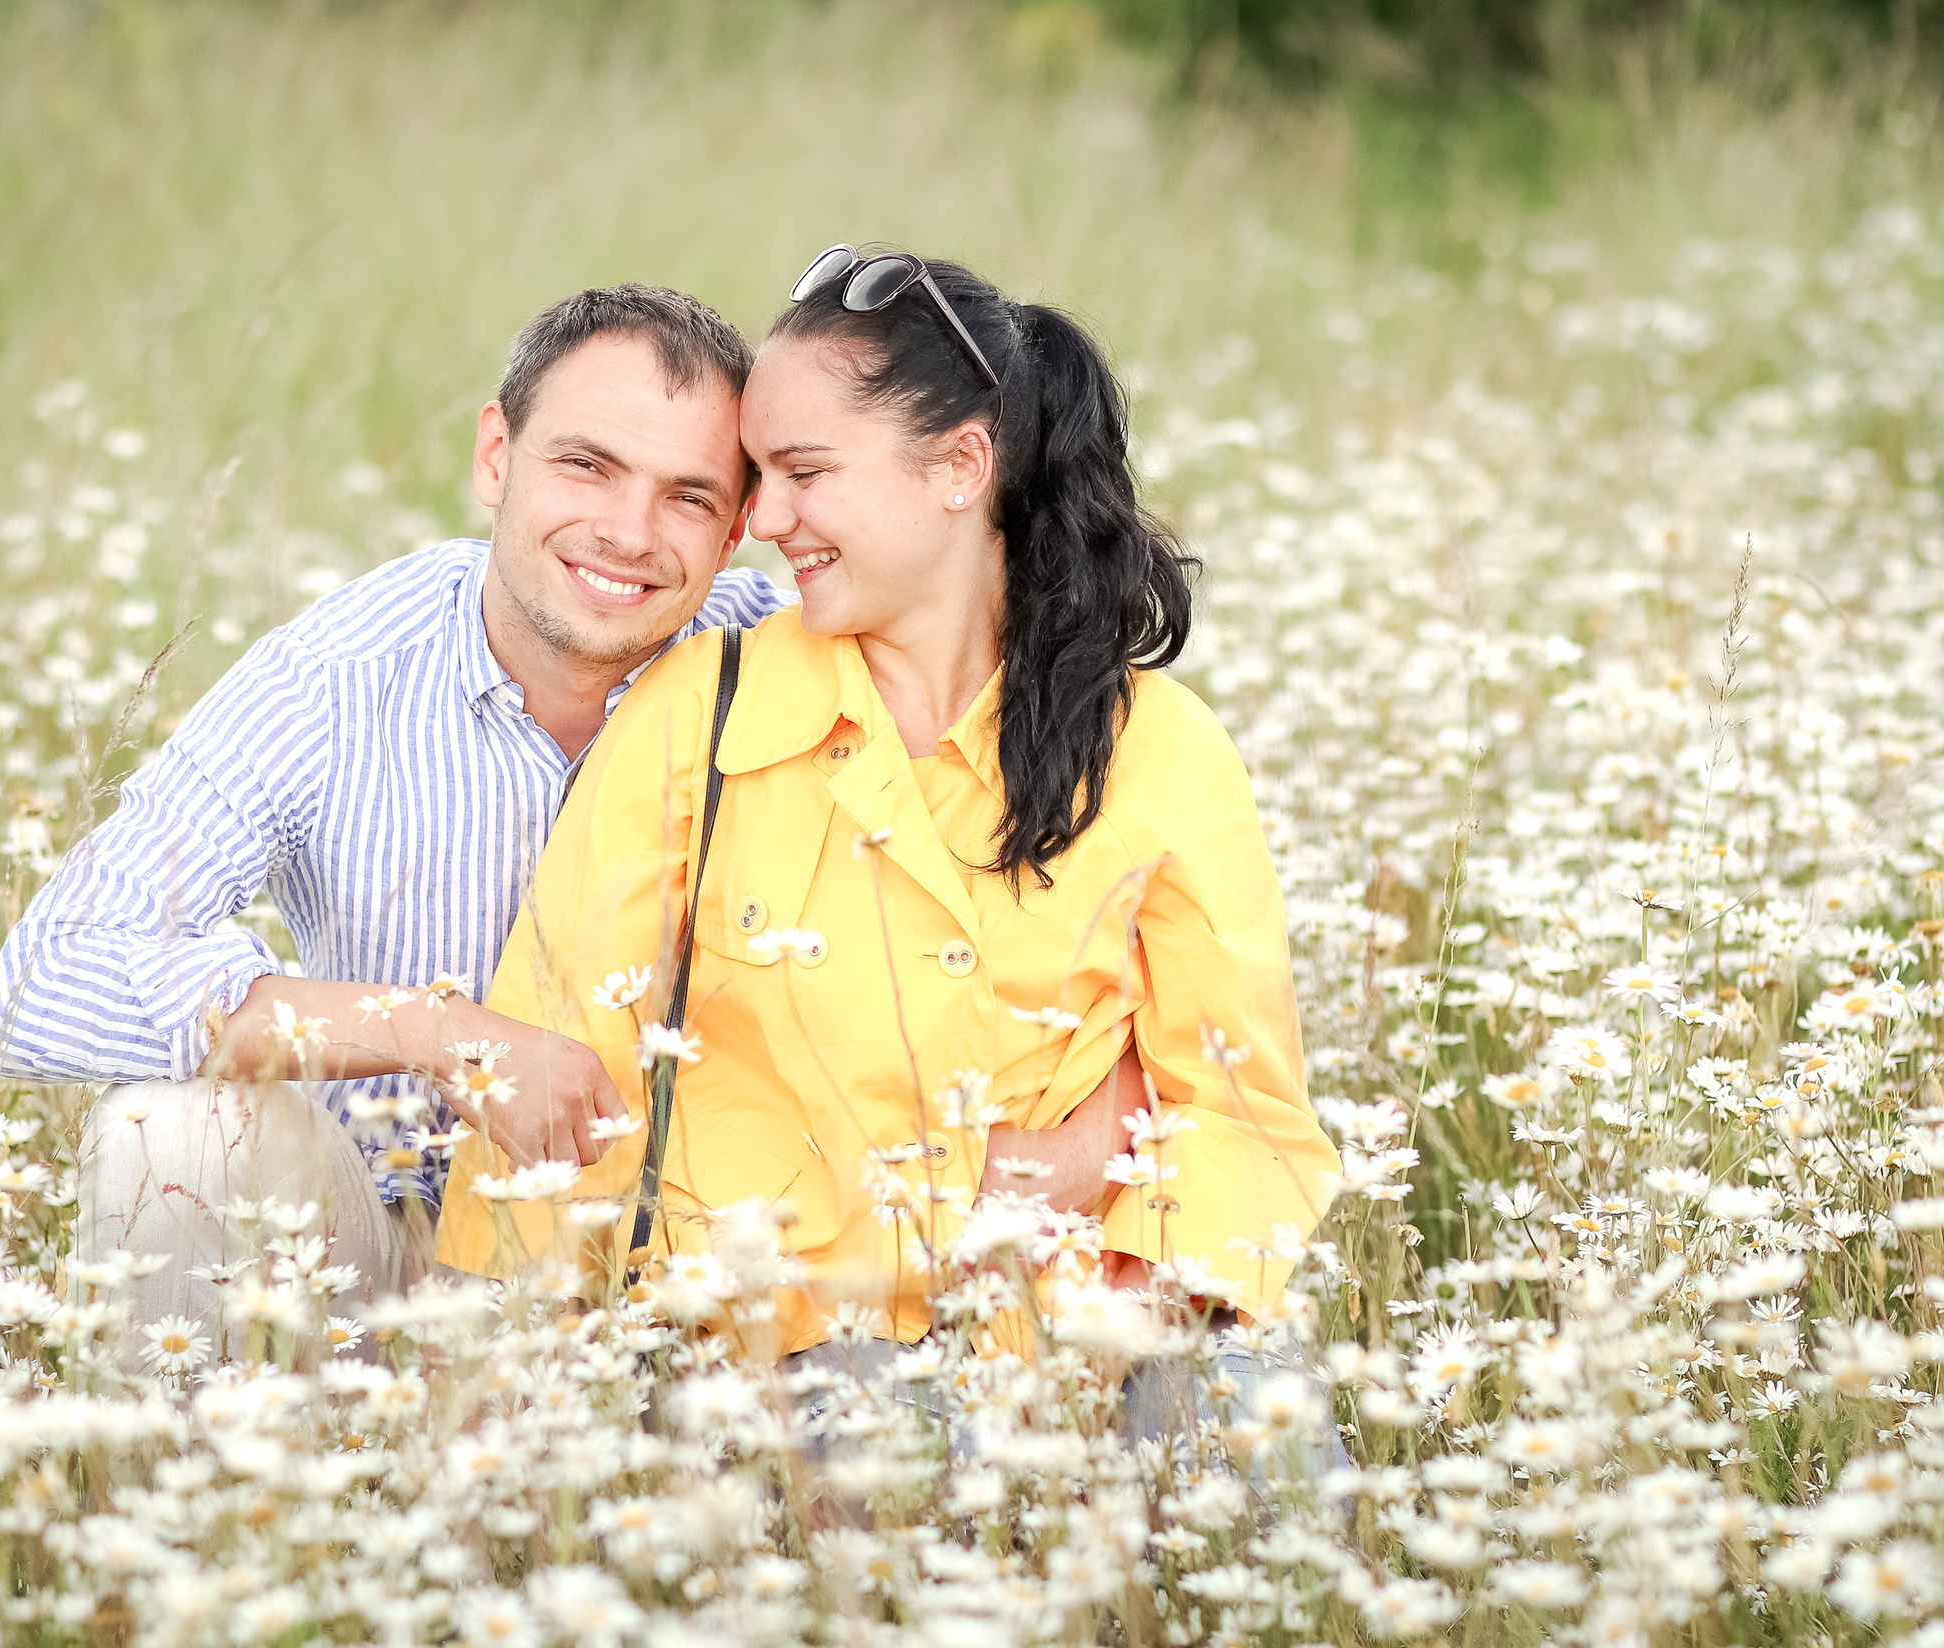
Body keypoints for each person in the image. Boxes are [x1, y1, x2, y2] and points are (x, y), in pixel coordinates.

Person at [435, 247, 1341, 1369]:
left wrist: (1150, 1346)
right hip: (792, 1351)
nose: (765, 518)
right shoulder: (701, 712)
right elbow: (563, 1070)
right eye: (757, 476)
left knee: (1258, 1458)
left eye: (803, 473)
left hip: (1095, 1336)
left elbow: (1242, 1109)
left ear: (959, 465)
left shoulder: (1159, 746)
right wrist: (509, 1372)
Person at [0, 285, 790, 1339]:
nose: (627, 532)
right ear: (495, 456)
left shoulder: (788, 672)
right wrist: (434, 1029)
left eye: (687, 496)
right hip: (384, 1250)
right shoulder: (334, 677)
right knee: (170, 1133)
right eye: (586, 465)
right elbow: (42, 979)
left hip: (695, 1273)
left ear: (737, 528)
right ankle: (217, 1448)